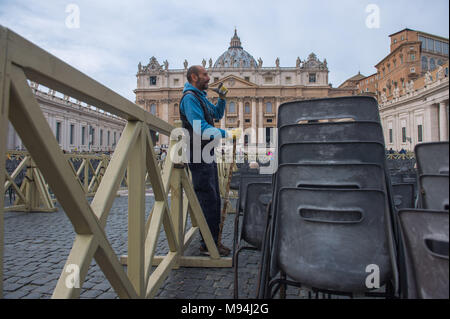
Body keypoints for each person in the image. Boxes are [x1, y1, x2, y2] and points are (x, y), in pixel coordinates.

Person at [179, 65, 240, 257]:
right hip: (198, 154)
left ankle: (212, 241)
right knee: (208, 199)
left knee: (213, 198)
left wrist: (222, 99)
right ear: (194, 77)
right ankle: (208, 244)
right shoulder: (189, 99)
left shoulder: (200, 98)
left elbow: (217, 115)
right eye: (205, 74)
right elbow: (201, 128)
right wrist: (227, 133)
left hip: (207, 153)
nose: (209, 77)